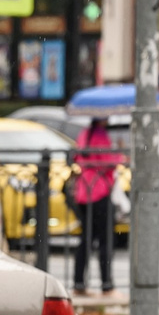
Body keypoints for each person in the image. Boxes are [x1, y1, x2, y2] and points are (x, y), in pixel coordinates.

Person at [70, 115, 118, 293]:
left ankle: (79, 281)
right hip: (99, 191)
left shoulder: (84, 134)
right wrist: (119, 154)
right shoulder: (100, 136)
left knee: (86, 238)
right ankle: (106, 282)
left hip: (84, 191)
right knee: (105, 239)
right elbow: (108, 162)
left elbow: (77, 157)